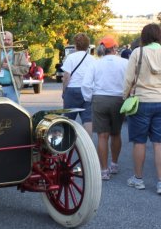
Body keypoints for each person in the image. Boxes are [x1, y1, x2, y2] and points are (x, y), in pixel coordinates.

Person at [82, 36, 128, 180]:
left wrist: (89, 98)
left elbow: (86, 85)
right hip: (119, 99)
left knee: (102, 135)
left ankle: (104, 170)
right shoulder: (125, 63)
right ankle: (114, 164)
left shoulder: (95, 64)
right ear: (114, 48)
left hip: (100, 99)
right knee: (116, 133)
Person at [124, 23, 161, 194]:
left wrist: (124, 97)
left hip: (141, 102)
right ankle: (160, 183)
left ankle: (138, 179)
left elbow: (128, 79)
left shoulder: (137, 53)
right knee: (158, 143)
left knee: (139, 142)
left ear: (143, 36)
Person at [61, 33, 96, 136]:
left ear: (75, 45)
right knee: (87, 119)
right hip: (87, 90)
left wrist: (64, 90)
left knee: (68, 118)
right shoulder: (92, 59)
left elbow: (66, 76)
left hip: (72, 90)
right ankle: (88, 143)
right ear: (88, 45)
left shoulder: (71, 57)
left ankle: (67, 141)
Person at [0, 31, 30, 103]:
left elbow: (25, 69)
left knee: (13, 112)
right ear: (0, 41)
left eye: (8, 39)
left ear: (12, 40)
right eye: (4, 39)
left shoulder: (19, 53)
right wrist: (0, 63)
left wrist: (10, 67)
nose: (6, 41)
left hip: (13, 89)